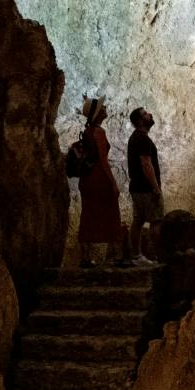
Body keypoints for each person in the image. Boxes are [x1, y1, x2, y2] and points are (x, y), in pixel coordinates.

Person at [72, 97, 123, 266]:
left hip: (86, 180)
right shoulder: (99, 132)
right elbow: (102, 159)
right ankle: (117, 256)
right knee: (111, 212)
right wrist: (113, 183)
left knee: (88, 215)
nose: (105, 107)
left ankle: (85, 257)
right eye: (102, 107)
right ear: (98, 113)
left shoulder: (87, 131)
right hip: (98, 179)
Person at [127, 106, 162, 264]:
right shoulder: (142, 139)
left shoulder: (135, 137)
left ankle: (136, 256)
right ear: (141, 120)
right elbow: (146, 164)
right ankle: (160, 257)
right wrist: (155, 188)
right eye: (146, 114)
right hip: (147, 189)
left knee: (138, 221)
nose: (150, 114)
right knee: (156, 221)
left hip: (136, 188)